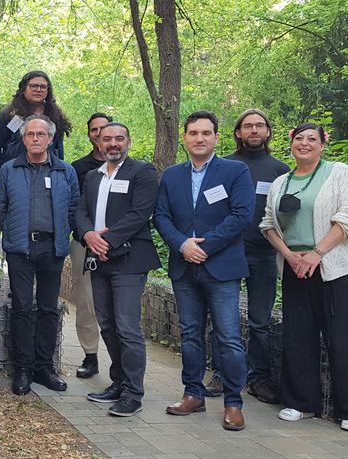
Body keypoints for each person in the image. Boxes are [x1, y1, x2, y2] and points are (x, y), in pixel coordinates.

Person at [153, 110, 254, 432]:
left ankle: (233, 403)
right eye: (194, 133)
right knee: (190, 335)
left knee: (229, 338)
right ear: (185, 138)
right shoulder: (171, 175)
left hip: (222, 268)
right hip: (184, 268)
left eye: (206, 133)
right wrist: (183, 245)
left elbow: (241, 215)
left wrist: (204, 247)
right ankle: (193, 394)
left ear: (216, 138)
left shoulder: (235, 171)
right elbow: (161, 216)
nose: (200, 138)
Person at [261, 123, 348, 430]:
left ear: (324, 143)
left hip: (332, 268)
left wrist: (316, 254)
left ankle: (346, 409)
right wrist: (288, 254)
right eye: (299, 138)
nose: (305, 143)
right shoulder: (280, 182)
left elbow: (345, 219)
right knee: (297, 337)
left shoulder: (339, 173)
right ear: (291, 143)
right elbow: (268, 224)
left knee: (341, 338)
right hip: (294, 267)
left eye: (312, 139)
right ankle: (300, 403)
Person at [201, 109, 289, 403]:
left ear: (267, 132)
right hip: (225, 254)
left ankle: (258, 377)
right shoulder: (223, 166)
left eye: (260, 125)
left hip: (263, 255)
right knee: (221, 320)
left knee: (260, 321)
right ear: (238, 132)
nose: (254, 130)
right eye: (248, 126)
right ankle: (221, 373)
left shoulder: (280, 171)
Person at [74, 123, 160, 417]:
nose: (113, 143)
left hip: (129, 259)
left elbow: (140, 214)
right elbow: (80, 211)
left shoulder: (142, 172)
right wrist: (88, 235)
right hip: (98, 258)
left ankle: (134, 393)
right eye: (107, 138)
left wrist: (105, 240)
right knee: (107, 324)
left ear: (129, 142)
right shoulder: (91, 177)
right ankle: (119, 381)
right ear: (98, 142)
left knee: (127, 327)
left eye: (119, 138)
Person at [0, 114, 79, 396]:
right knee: (21, 308)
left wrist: (63, 235)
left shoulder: (65, 171)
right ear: (23, 138)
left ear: (50, 138)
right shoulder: (9, 170)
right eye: (30, 134)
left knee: (48, 309)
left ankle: (45, 367)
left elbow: (73, 208)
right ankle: (23, 368)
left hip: (52, 249)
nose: (35, 139)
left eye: (40, 134)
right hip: (20, 248)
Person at [67, 112, 112, 379]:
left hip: (117, 245)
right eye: (94, 129)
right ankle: (90, 355)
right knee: (85, 300)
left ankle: (121, 360)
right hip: (83, 243)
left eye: (103, 128)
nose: (99, 133)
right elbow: (75, 207)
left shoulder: (131, 168)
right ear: (89, 135)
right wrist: (87, 235)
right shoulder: (79, 167)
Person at [0, 71, 72, 184]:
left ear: (48, 91)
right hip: (14, 174)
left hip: (47, 174)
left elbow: (58, 148)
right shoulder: (10, 116)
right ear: (23, 89)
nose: (38, 89)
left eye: (43, 87)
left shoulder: (55, 116)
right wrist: (0, 169)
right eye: (33, 86)